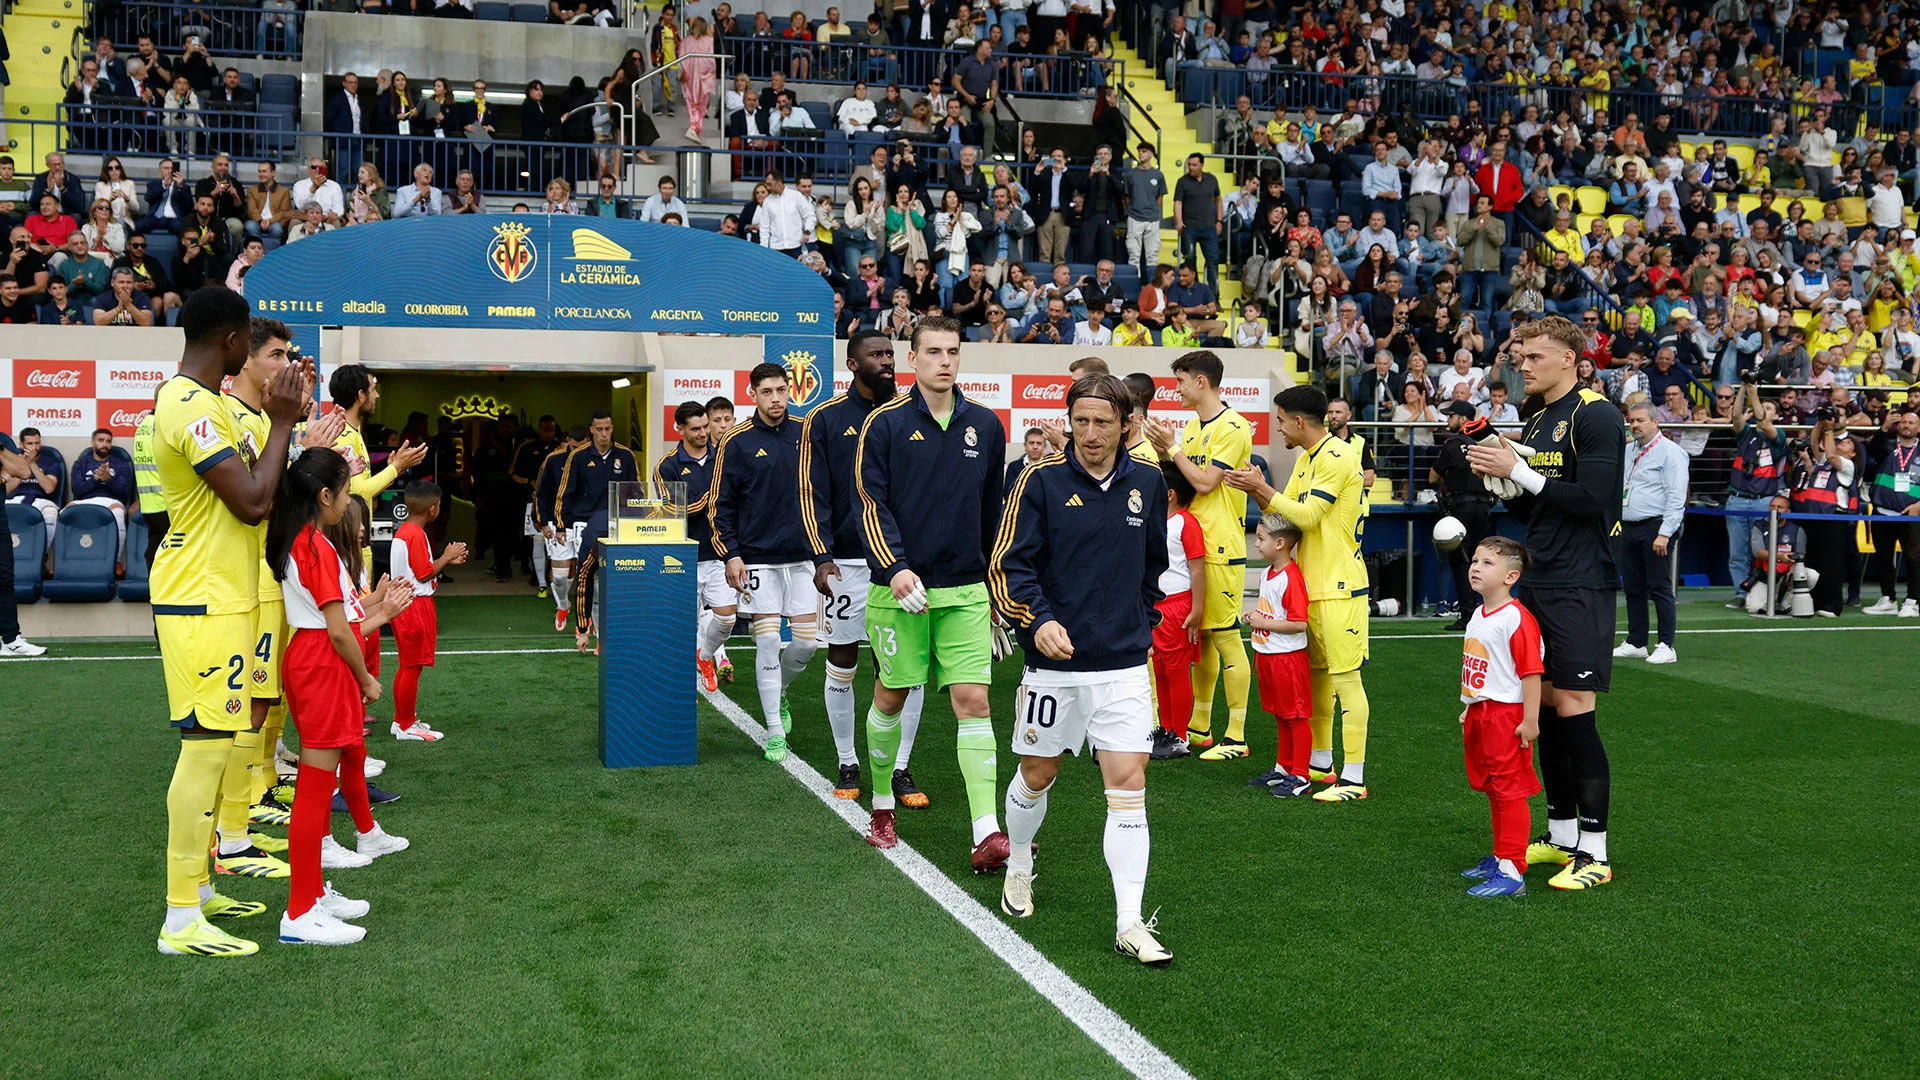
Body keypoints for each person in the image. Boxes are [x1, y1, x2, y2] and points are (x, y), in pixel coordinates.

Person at [989, 373, 1173, 967]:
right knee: (1037, 775)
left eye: (1102, 421)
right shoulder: (1039, 482)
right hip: (1052, 667)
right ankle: (1019, 861)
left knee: (1128, 789)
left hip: (1122, 666)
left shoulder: (1149, 482)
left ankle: (1129, 921)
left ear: (1128, 425)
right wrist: (1036, 620)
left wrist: (1136, 624)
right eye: (1081, 420)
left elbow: (1154, 568)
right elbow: (1008, 565)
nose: (1090, 434)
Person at [151, 286, 307, 958]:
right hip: (200, 599)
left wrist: (283, 430)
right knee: (207, 749)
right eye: (250, 339)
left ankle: (203, 889)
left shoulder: (209, 402)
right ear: (230, 342)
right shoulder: (185, 404)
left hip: (228, 597)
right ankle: (180, 917)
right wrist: (279, 425)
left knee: (224, 742)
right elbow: (251, 503)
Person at [1464, 314, 1622, 891]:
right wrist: (1502, 479)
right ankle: (1559, 835)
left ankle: (1596, 852)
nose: (1522, 365)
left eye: (1534, 357)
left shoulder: (1597, 414)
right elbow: (1540, 508)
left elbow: (1593, 501)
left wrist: (1521, 473)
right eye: (1520, 356)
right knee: (1549, 710)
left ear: (1570, 361)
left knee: (1576, 709)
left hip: (1583, 581)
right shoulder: (1536, 419)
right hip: (1542, 574)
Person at [853, 317, 1009, 866]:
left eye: (953, 352)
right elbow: (871, 503)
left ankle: (986, 831)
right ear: (912, 360)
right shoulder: (885, 423)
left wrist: (993, 588)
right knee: (891, 697)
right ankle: (880, 807)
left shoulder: (987, 426)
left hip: (964, 590)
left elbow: (994, 513)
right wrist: (894, 567)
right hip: (898, 591)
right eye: (934, 352)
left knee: (975, 702)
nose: (945, 361)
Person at [269, 448, 413, 946]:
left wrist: (380, 612)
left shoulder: (302, 539)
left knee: (316, 783)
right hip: (319, 663)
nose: (351, 499)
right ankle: (300, 910)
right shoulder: (313, 546)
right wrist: (367, 679)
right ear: (325, 496)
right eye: (347, 490)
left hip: (311, 658)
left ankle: (309, 895)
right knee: (313, 789)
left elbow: (344, 622)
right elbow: (338, 631)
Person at [1226, 385, 1373, 800]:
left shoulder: (1339, 456)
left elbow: (1306, 517)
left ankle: (1354, 777)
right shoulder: (1308, 457)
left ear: (1298, 421)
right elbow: (1282, 518)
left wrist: (1265, 491)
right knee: (1319, 683)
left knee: (1346, 683)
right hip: (1312, 586)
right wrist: (1255, 488)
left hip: (1340, 587)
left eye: (1280, 421)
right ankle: (1320, 763)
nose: (1277, 429)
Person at [802, 332, 929, 804]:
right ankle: (848, 761)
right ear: (852, 363)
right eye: (875, 355)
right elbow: (811, 492)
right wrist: (821, 554)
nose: (886, 362)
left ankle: (899, 768)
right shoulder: (826, 418)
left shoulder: (911, 413)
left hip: (900, 564)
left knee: (903, 668)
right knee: (843, 660)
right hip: (848, 563)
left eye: (890, 355)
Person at [1142, 351, 1251, 760]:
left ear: (1201, 381)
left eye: (1181, 381)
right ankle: (1198, 728)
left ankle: (1237, 736)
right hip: (1192, 544)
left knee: (1225, 640)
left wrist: (1173, 448)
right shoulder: (1191, 427)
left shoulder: (1234, 425)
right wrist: (1165, 449)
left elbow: (1204, 482)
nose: (1177, 389)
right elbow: (1181, 479)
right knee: (1199, 644)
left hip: (1220, 547)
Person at [710, 364, 820, 759]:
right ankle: (774, 728)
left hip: (804, 559)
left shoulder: (808, 432)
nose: (776, 398)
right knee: (770, 639)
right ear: (752, 393)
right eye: (767, 391)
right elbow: (720, 505)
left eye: (781, 390)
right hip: (757, 559)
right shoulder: (735, 441)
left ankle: (781, 692)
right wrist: (732, 554)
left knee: (806, 645)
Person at [1455, 536, 1545, 898]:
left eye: (1487, 563)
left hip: (1507, 717)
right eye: (1475, 560)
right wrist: (1470, 704)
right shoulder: (1479, 612)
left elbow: (1530, 674)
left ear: (1511, 576)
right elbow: (1486, 667)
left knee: (1509, 791)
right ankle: (1500, 855)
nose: (1476, 567)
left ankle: (1512, 870)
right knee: (1493, 787)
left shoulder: (1517, 619)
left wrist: (1530, 720)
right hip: (1481, 712)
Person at [389, 481, 466, 740]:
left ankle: (401, 720)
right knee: (412, 666)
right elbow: (423, 574)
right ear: (433, 509)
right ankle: (405, 725)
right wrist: (446, 556)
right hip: (414, 605)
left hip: (405, 602)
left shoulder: (406, 531)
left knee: (407, 665)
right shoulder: (415, 534)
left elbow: (417, 570)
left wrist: (444, 561)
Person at [557, 411, 639, 653]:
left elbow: (635, 492)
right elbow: (565, 491)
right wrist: (561, 524)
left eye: (608, 429)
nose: (604, 434)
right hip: (584, 525)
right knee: (586, 576)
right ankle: (584, 627)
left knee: (610, 583)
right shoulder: (579, 456)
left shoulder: (624, 455)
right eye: (599, 429)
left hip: (616, 524)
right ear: (591, 430)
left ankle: (604, 634)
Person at [1242, 514, 1311, 798]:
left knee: (1295, 716)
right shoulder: (1266, 573)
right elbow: (1270, 613)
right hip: (1268, 655)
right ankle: (1284, 768)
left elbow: (1299, 623)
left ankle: (1301, 775)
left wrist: (1262, 622)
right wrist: (1255, 618)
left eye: (1261, 539)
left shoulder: (1291, 578)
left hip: (1288, 658)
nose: (1257, 544)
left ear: (1280, 543)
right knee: (1281, 715)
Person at [1614, 403, 1688, 665]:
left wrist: (1666, 533)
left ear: (1656, 422)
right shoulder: (1628, 450)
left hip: (1656, 526)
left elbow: (1676, 497)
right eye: (1631, 421)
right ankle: (1636, 641)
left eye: (1640, 420)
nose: (1634, 425)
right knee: (1633, 587)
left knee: (1659, 587)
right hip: (1629, 525)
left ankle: (1667, 644)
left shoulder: (1671, 453)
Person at [1147, 464, 1205, 758]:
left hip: (1177, 606)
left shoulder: (1186, 523)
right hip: (1156, 606)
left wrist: (1196, 610)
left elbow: (1197, 570)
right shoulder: (1157, 520)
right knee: (1160, 669)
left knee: (1177, 669)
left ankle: (1180, 737)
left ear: (1169, 494)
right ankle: (1166, 730)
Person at [1773, 412, 1856, 618]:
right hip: (1814, 518)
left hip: (1833, 519)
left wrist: (1828, 429)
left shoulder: (1847, 466)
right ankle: (1816, 601)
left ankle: (1833, 605)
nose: (1842, 443)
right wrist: (1821, 421)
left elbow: (1832, 455)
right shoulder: (1821, 464)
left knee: (1831, 564)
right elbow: (1814, 443)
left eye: (1846, 443)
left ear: (1852, 453)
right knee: (1814, 561)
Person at [1430, 401, 1493, 630]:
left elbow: (1432, 477)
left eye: (1452, 415)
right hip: (1485, 506)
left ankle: (1468, 615)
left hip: (1461, 508)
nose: (1448, 420)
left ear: (1464, 419)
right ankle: (1487, 611)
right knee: (1484, 560)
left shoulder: (1452, 444)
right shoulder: (1485, 442)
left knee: (1461, 560)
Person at [1724, 379, 1785, 604]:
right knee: (1737, 553)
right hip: (1737, 500)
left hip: (1763, 501)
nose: (1764, 411)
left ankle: (1762, 593)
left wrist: (1754, 393)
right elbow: (1736, 417)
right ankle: (1742, 593)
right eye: (1763, 406)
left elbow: (1762, 420)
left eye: (1770, 408)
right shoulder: (1746, 434)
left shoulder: (1778, 437)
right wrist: (1743, 388)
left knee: (1761, 551)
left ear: (1776, 416)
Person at [1864, 407, 1920, 616]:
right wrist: (1884, 427)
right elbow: (1873, 450)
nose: (1906, 425)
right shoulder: (1886, 445)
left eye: (1911, 423)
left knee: (1914, 559)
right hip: (1882, 511)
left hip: (1912, 514)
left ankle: (1913, 601)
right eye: (1903, 422)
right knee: (1884, 558)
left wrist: (1919, 505)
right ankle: (1888, 598)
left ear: (1918, 428)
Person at [534, 424, 587, 631]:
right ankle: (563, 605)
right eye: (572, 447)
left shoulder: (593, 461)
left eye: (580, 447)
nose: (576, 451)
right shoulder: (554, 460)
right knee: (559, 576)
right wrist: (544, 521)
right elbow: (543, 492)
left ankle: (588, 617)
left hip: (585, 523)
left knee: (581, 569)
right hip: (558, 523)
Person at [0, 433, 48, 656]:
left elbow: (23, 470)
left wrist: (1, 451)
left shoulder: (3, 440)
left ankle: (11, 639)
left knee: (5, 576)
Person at [5, 428, 62, 542]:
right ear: (21, 444)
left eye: (37, 443)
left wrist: (32, 464)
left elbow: (49, 488)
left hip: (39, 499)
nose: (34, 447)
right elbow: (6, 490)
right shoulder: (11, 460)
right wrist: (23, 466)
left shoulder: (50, 462)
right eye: (30, 443)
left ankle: (42, 553)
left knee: (51, 513)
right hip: (14, 498)